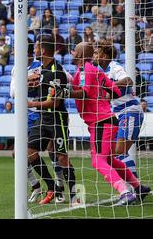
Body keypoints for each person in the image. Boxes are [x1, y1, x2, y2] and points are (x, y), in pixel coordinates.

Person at [53, 42, 150, 206]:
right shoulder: (95, 71)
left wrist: (65, 92)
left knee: (97, 161)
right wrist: (101, 94)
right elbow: (116, 91)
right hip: (107, 119)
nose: (72, 52)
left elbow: (84, 93)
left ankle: (125, 192)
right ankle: (138, 187)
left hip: (101, 121)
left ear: (81, 54)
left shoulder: (85, 69)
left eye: (75, 50)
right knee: (111, 159)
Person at [26, 35, 77, 205]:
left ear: (43, 50)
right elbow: (36, 82)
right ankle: (51, 188)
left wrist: (31, 103)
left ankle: (74, 194)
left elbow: (55, 102)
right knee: (29, 152)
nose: (34, 50)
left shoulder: (57, 72)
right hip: (43, 117)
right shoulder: (42, 69)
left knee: (61, 157)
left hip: (57, 119)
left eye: (36, 48)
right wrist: (29, 81)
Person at [93, 40, 145, 178]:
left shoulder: (114, 67)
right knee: (115, 154)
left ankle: (135, 189)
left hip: (130, 112)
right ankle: (133, 187)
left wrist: (110, 86)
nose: (94, 56)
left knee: (119, 153)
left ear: (104, 56)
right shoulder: (102, 72)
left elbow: (129, 81)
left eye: (96, 53)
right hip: (120, 114)